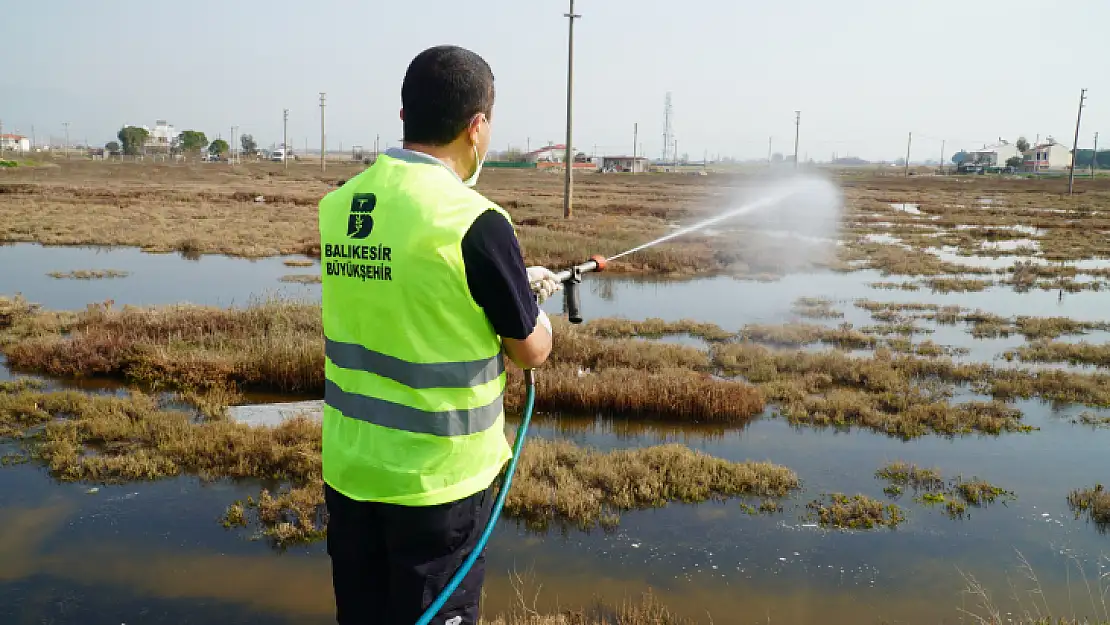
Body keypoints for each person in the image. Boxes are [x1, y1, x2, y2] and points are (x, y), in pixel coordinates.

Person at [318, 45, 561, 625]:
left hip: (351, 475)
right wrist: (535, 312)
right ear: (476, 128)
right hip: (438, 489)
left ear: (404, 117)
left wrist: (504, 284)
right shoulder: (476, 222)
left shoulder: (339, 206)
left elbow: (410, 289)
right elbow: (530, 350)